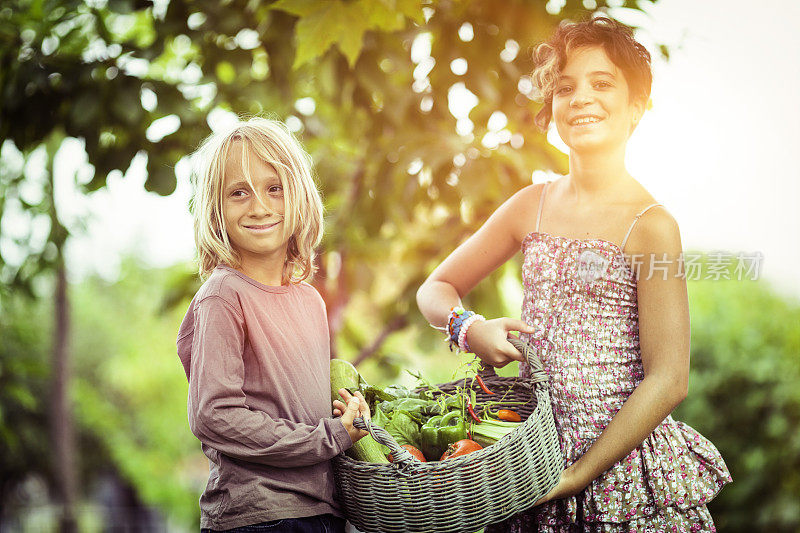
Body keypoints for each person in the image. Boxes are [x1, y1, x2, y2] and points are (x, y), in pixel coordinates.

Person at [416, 16, 732, 532]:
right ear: (551, 112)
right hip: (532, 454)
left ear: (637, 107)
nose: (581, 97)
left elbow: (669, 378)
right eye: (565, 88)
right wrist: (469, 328)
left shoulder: (651, 226)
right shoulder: (529, 206)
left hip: (617, 470)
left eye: (602, 83)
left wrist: (578, 476)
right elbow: (436, 289)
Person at [176, 117, 370, 533]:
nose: (260, 206)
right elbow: (215, 416)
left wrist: (350, 419)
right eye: (239, 192)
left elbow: (309, 410)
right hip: (260, 516)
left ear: (298, 195)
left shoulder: (310, 300)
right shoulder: (223, 296)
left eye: (274, 188)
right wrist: (328, 436)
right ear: (217, 209)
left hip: (323, 511)